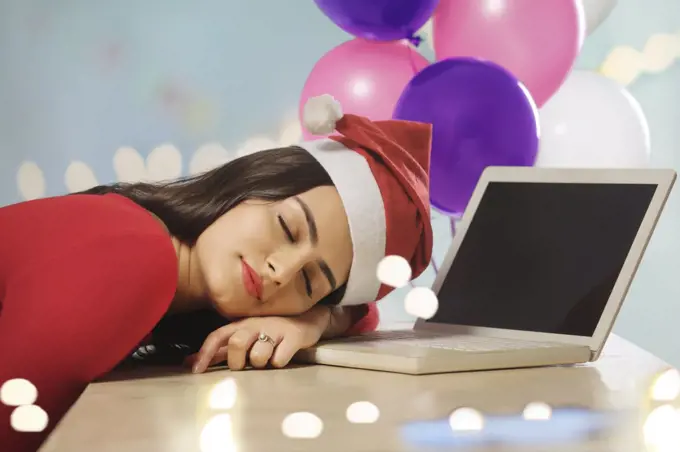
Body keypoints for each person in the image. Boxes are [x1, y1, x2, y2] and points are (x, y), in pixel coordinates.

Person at [0, 94, 433, 451]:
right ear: (249, 184)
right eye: (288, 227)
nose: (280, 271)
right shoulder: (140, 257)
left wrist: (314, 319)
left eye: (309, 282)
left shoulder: (159, 263)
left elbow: (363, 312)